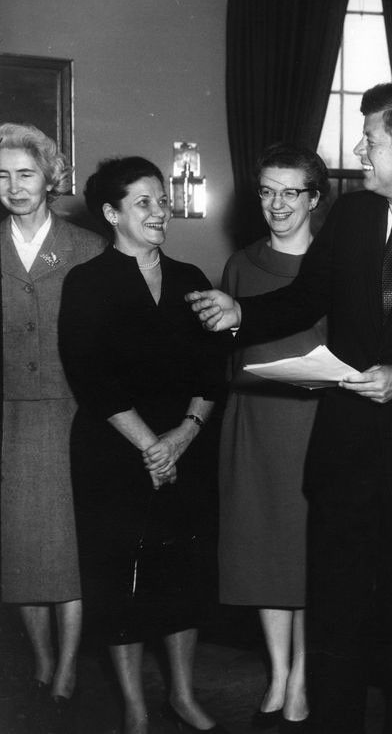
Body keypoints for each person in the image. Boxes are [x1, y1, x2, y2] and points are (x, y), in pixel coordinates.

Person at [188, 82, 392, 734]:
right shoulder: (352, 217)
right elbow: (305, 297)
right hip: (344, 456)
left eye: (372, 141)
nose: (359, 151)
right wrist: (241, 313)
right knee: (336, 616)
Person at [59, 157, 229, 734]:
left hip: (185, 443)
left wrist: (183, 435)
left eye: (163, 200)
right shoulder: (87, 282)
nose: (161, 212)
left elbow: (213, 372)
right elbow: (91, 378)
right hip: (115, 450)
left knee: (183, 573)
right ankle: (134, 706)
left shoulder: (191, 279)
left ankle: (182, 695)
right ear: (112, 214)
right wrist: (150, 448)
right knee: (120, 580)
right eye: (145, 203)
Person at [217, 143, 329, 732]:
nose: (277, 203)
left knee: (308, 554)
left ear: (314, 198)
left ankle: (305, 676)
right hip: (254, 421)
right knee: (262, 550)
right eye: (267, 190)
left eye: (291, 191)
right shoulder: (240, 264)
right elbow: (226, 350)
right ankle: (279, 671)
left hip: (314, 425)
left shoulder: (337, 263)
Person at [0, 123, 106, 729]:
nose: (15, 186)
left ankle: (67, 665)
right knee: (19, 557)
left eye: (27, 173)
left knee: (66, 553)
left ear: (50, 177)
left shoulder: (86, 248)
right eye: (5, 175)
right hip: (9, 417)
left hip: (72, 414)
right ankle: (40, 660)